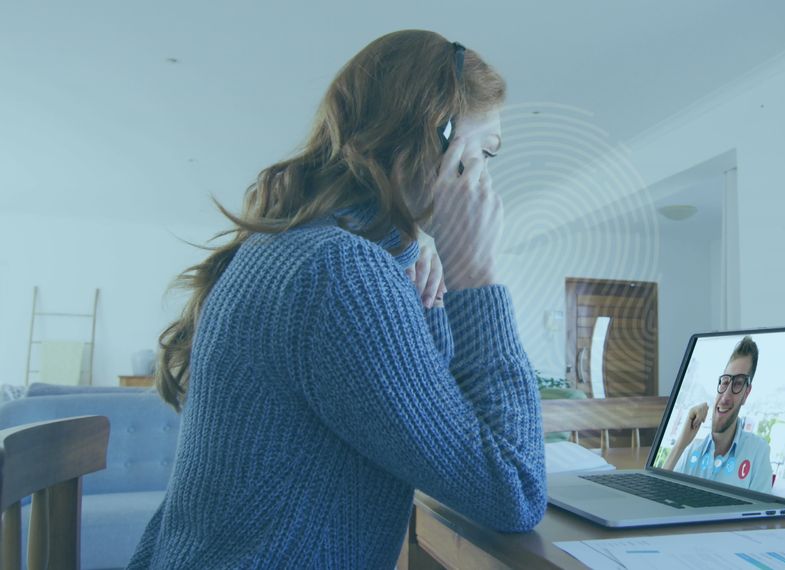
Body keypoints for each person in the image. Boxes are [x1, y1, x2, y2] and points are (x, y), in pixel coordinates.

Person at [128, 30, 546, 569]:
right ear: (435, 136)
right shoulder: (342, 272)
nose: (486, 181)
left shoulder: (305, 248)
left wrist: (433, 298)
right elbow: (513, 489)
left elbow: (434, 429)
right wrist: (478, 277)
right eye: (483, 153)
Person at [661, 336, 773, 493]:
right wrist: (681, 443)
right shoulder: (691, 449)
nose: (726, 397)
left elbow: (763, 516)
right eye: (725, 382)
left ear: (746, 394)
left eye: (738, 384)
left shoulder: (758, 453)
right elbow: (658, 494)